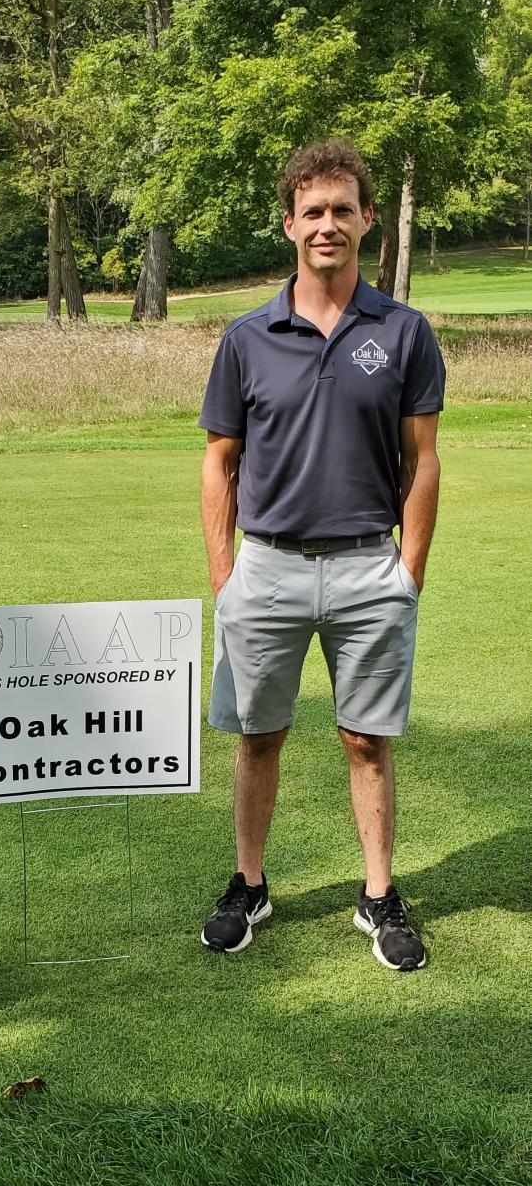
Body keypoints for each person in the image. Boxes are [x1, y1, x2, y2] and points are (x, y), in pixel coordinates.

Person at [198, 137, 444, 970]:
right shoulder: (246, 337)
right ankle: (249, 883)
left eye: (343, 209)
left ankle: (378, 897)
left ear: (368, 219)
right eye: (313, 211)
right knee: (257, 736)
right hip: (265, 565)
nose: (328, 225)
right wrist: (225, 576)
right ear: (289, 225)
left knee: (366, 742)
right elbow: (219, 461)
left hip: (368, 569)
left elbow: (424, 461)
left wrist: (408, 571)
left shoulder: (404, 333)